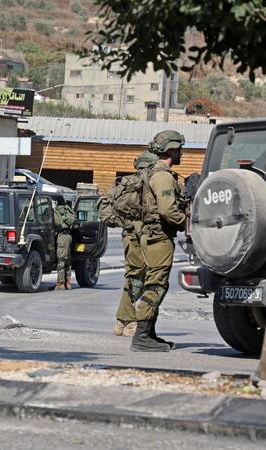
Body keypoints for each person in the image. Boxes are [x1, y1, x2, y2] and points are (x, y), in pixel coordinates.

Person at [131, 130, 187, 352]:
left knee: (155, 283)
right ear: (171, 150)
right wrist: (186, 223)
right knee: (156, 285)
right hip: (159, 237)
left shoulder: (154, 172)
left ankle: (149, 333)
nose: (182, 153)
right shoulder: (162, 176)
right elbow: (167, 210)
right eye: (179, 149)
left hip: (152, 235)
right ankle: (141, 336)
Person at [106, 150, 158, 337]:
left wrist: (121, 223)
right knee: (139, 276)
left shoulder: (126, 182)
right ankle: (127, 321)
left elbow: (104, 203)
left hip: (129, 234)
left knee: (134, 274)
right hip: (144, 234)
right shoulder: (150, 182)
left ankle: (121, 322)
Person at [49, 196, 75, 290]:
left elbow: (55, 223)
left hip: (62, 237)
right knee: (67, 260)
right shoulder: (68, 211)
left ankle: (60, 283)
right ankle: (68, 283)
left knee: (61, 260)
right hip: (68, 236)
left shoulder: (58, 211)